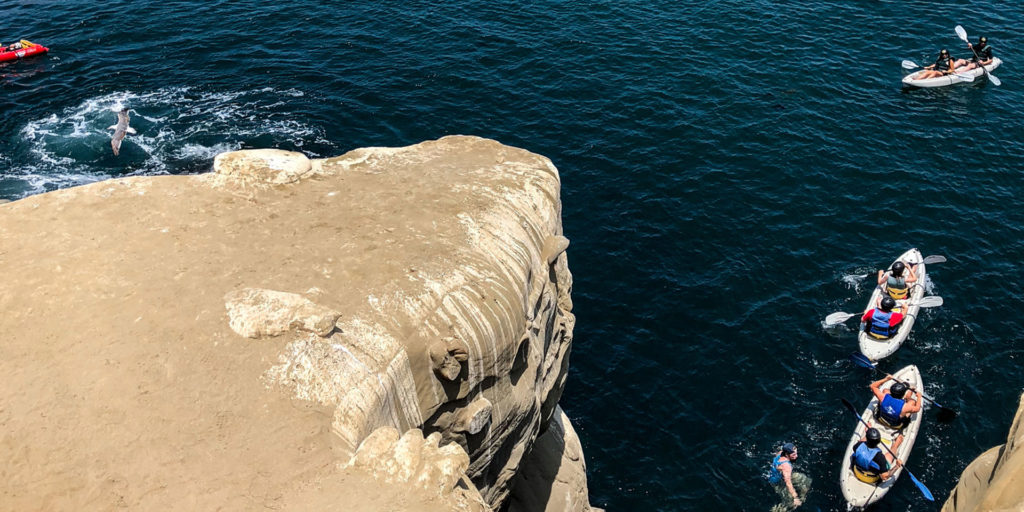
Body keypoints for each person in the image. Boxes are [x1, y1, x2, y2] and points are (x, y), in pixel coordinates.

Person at [767, 443, 810, 509]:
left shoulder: (780, 453)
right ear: (787, 454)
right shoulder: (787, 466)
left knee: (804, 479)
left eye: (796, 453)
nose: (796, 456)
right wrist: (795, 497)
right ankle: (777, 509)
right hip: (777, 483)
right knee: (791, 505)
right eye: (793, 455)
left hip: (773, 476)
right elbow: (788, 483)